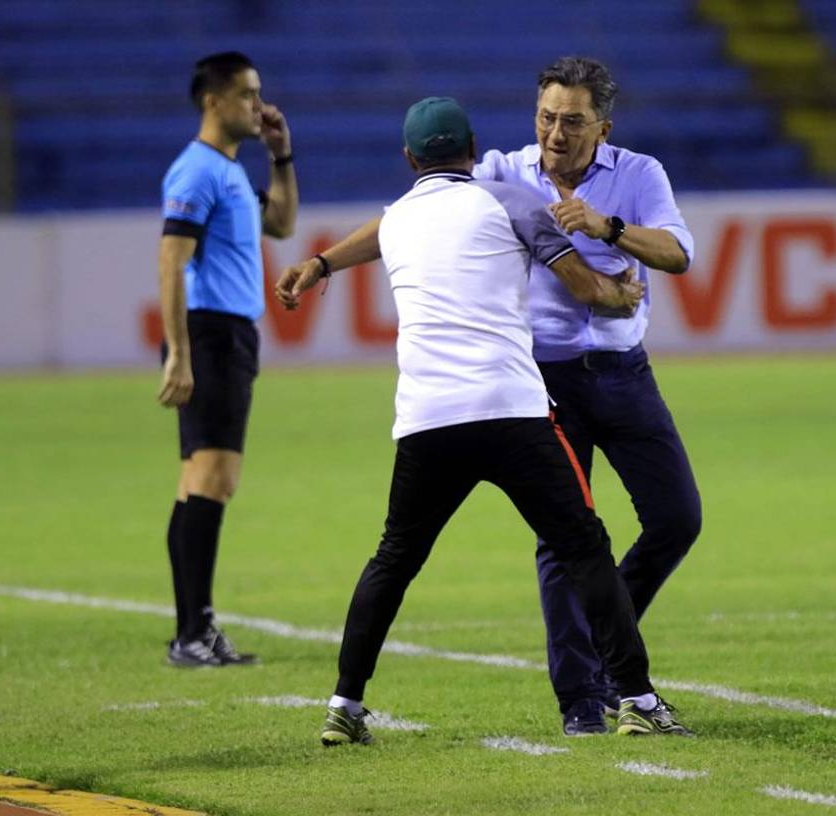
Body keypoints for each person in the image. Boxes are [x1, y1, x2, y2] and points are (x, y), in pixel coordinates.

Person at [276, 57, 701, 735]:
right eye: (546, 118)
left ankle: (344, 705)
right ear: (476, 153)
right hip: (533, 385)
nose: (555, 132)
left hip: (604, 376)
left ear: (602, 126)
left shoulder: (637, 174)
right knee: (572, 546)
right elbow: (591, 288)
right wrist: (325, 260)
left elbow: (678, 256)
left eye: (572, 121)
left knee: (674, 520)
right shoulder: (506, 182)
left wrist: (608, 228)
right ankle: (594, 701)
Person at [157, 51, 297, 666]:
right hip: (210, 334)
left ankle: (193, 629)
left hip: (229, 334)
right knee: (213, 479)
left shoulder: (230, 169)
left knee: (200, 483)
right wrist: (180, 354)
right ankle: (193, 633)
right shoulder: (197, 172)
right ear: (213, 102)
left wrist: (281, 154)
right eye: (247, 95)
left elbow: (284, 225)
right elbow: (171, 260)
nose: (258, 106)